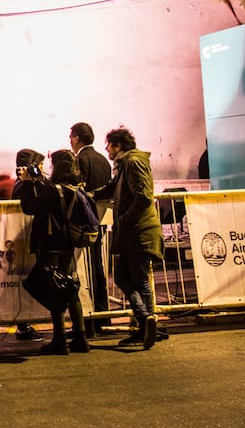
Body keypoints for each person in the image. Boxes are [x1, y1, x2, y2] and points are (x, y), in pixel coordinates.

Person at [15, 149, 89, 355]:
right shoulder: (74, 186)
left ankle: (60, 339)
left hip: (51, 244)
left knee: (55, 289)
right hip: (68, 243)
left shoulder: (53, 190)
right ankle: (81, 337)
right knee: (70, 288)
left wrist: (28, 183)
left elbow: (30, 207)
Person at [97, 127, 162, 349]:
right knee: (123, 278)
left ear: (118, 146)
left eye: (108, 145)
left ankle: (147, 323)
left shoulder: (133, 163)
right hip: (131, 231)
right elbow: (112, 189)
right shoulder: (125, 165)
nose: (106, 149)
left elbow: (144, 196)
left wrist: (124, 218)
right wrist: (90, 194)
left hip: (139, 231)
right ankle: (145, 321)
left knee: (139, 279)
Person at [69, 123, 112, 332]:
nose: (70, 140)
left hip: (85, 224)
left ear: (77, 138)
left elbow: (79, 191)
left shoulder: (80, 160)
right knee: (99, 267)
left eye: (71, 137)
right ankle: (103, 313)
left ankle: (88, 318)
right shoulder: (103, 160)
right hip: (102, 220)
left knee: (84, 271)